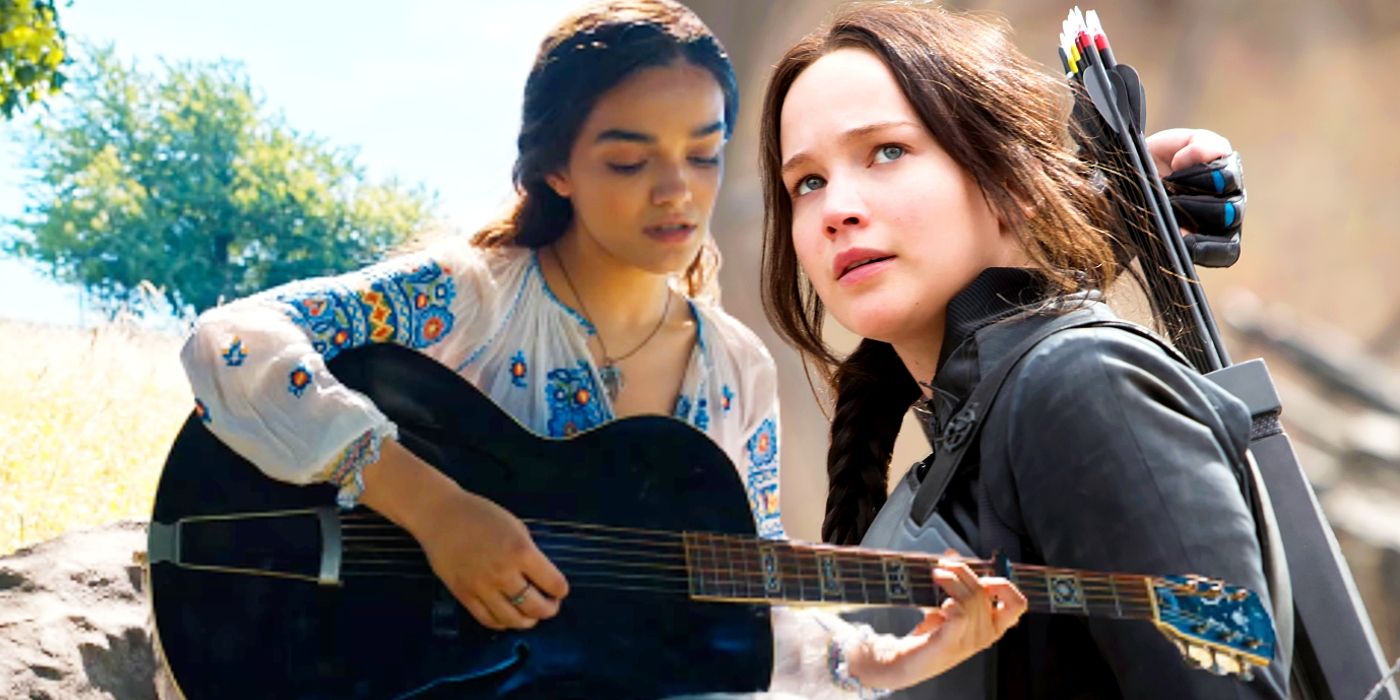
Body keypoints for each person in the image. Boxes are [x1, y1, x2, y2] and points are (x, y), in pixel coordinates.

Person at [180, 1, 1024, 696]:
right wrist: (433, 510)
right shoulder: (467, 296)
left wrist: (893, 660)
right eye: (629, 161)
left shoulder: (737, 369)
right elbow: (230, 343)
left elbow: (747, 603)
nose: (676, 191)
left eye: (703, 154)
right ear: (557, 170)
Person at [756, 4, 1286, 699]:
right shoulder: (978, 439)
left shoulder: (1081, 386)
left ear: (1012, 181)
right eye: (808, 182)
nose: (835, 208)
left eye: (887, 151)